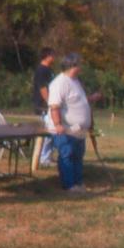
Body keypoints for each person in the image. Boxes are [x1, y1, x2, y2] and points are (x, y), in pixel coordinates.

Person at [48, 52, 92, 194]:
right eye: (79, 64)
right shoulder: (59, 83)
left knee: (78, 156)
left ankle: (78, 183)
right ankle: (69, 185)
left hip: (78, 130)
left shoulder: (76, 81)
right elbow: (54, 106)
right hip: (65, 129)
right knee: (67, 155)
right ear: (73, 65)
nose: (81, 67)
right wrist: (58, 124)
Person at [31, 47, 56, 168]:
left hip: (49, 105)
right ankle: (43, 159)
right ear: (47, 56)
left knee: (52, 132)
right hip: (44, 106)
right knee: (48, 132)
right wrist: (50, 103)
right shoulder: (41, 70)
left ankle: (48, 156)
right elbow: (43, 89)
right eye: (53, 55)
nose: (54, 57)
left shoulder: (49, 70)